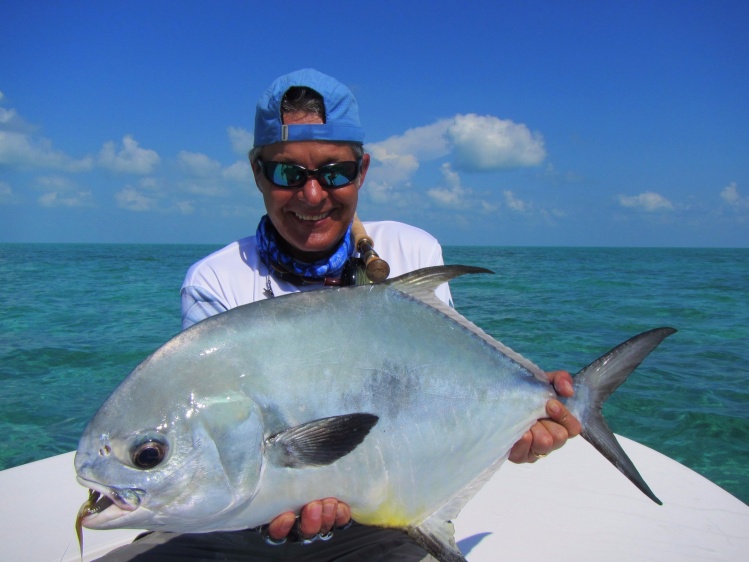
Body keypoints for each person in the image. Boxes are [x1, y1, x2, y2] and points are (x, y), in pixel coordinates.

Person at [101, 69, 580, 561]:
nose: (313, 196)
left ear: (363, 171)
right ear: (257, 173)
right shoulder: (216, 280)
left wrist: (518, 419)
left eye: (335, 172)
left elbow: (437, 396)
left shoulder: (412, 249)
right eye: (288, 173)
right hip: (233, 527)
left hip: (383, 520)